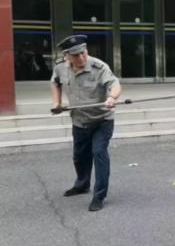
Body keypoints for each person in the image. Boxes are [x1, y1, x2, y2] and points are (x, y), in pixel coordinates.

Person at [51, 35, 122, 212]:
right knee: (79, 156)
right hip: (79, 121)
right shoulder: (60, 68)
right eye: (76, 55)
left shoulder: (99, 67)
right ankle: (82, 184)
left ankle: (99, 196)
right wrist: (57, 103)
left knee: (99, 153)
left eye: (83, 53)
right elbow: (55, 83)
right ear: (67, 56)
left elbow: (114, 84)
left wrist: (112, 97)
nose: (81, 57)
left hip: (102, 120)